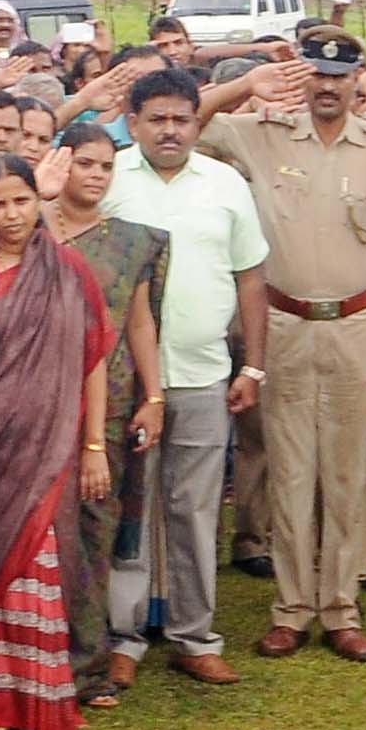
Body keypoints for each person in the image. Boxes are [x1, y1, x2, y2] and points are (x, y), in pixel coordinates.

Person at [197, 25, 366, 659]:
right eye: (317, 74)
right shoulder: (260, 136)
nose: (328, 86)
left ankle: (341, 608)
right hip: (283, 326)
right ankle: (291, 608)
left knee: (347, 473)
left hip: (354, 325)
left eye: (340, 76)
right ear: (303, 77)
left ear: (357, 82)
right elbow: (191, 117)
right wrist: (245, 83)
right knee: (290, 471)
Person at [0, 155, 115, 730]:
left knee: (38, 565)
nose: (11, 216)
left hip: (48, 447)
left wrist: (93, 444)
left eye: (22, 201)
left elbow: (93, 359)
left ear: (39, 203)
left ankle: (36, 700)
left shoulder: (66, 270)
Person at [99, 66, 269, 691]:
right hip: (126, 382)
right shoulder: (109, 178)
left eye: (182, 119)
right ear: (134, 122)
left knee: (195, 510)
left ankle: (195, 637)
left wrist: (252, 364)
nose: (171, 131)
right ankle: (124, 639)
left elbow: (251, 275)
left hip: (203, 377)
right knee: (129, 511)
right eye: (158, 120)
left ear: (198, 122)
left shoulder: (224, 183)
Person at [47, 121, 168, 706]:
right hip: (36, 401)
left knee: (95, 531)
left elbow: (141, 323)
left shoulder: (132, 241)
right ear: (60, 164)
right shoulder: (30, 225)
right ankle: (34, 663)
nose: (95, 176)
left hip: (111, 402)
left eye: (105, 167)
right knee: (38, 534)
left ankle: (90, 667)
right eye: (84, 164)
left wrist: (155, 396)